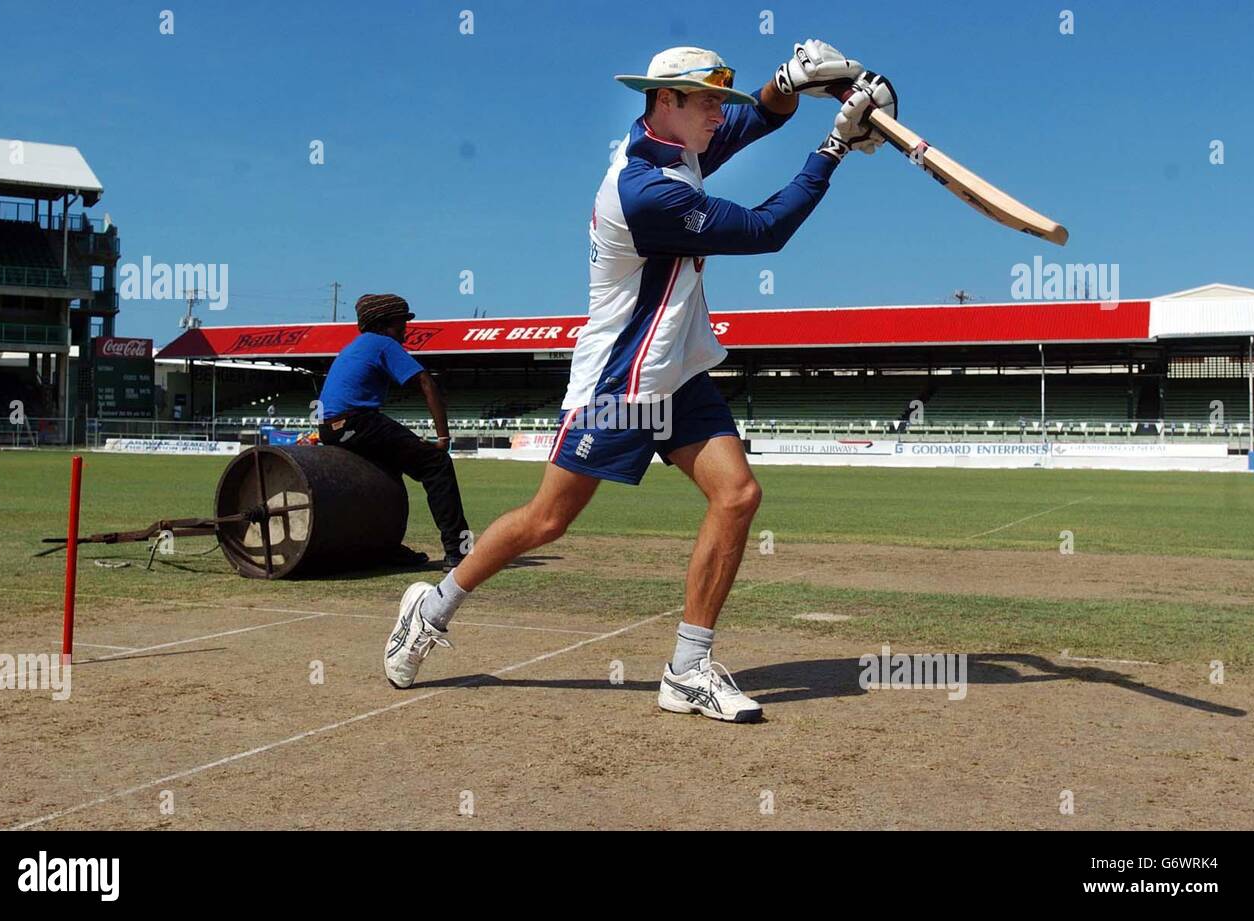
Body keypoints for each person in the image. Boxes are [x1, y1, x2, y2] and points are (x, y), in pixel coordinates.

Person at [384, 43, 897, 721]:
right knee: (548, 519)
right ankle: (433, 606)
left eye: (721, 100)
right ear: (667, 100)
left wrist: (792, 81)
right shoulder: (647, 191)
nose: (722, 114)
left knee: (737, 495)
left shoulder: (675, 146)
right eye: (710, 101)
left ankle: (687, 669)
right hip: (621, 380)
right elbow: (766, 229)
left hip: (675, 369)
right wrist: (835, 141)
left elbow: (761, 120)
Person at [317, 293, 471, 570]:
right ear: (385, 323)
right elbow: (426, 384)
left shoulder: (356, 345)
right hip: (357, 422)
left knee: (387, 476)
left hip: (331, 428)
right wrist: (442, 438)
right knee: (437, 464)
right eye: (402, 322)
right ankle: (458, 551)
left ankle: (385, 547)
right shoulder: (383, 344)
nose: (405, 329)